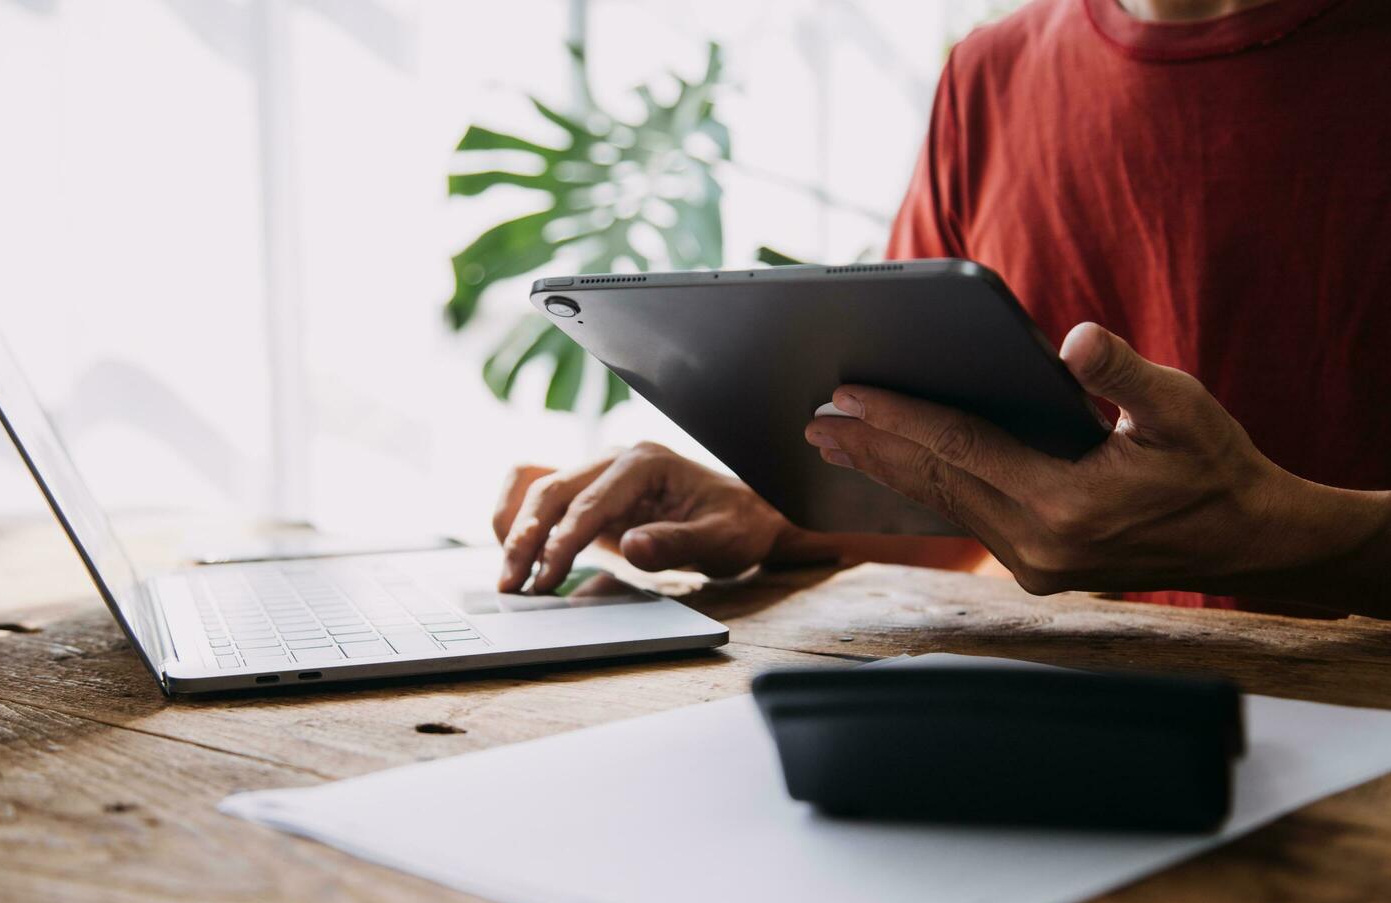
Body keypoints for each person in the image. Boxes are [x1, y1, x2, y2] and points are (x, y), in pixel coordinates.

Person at [493, 0, 1391, 619]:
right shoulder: (988, 78)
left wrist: (1289, 533)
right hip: (1071, 724)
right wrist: (784, 508)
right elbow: (967, 499)